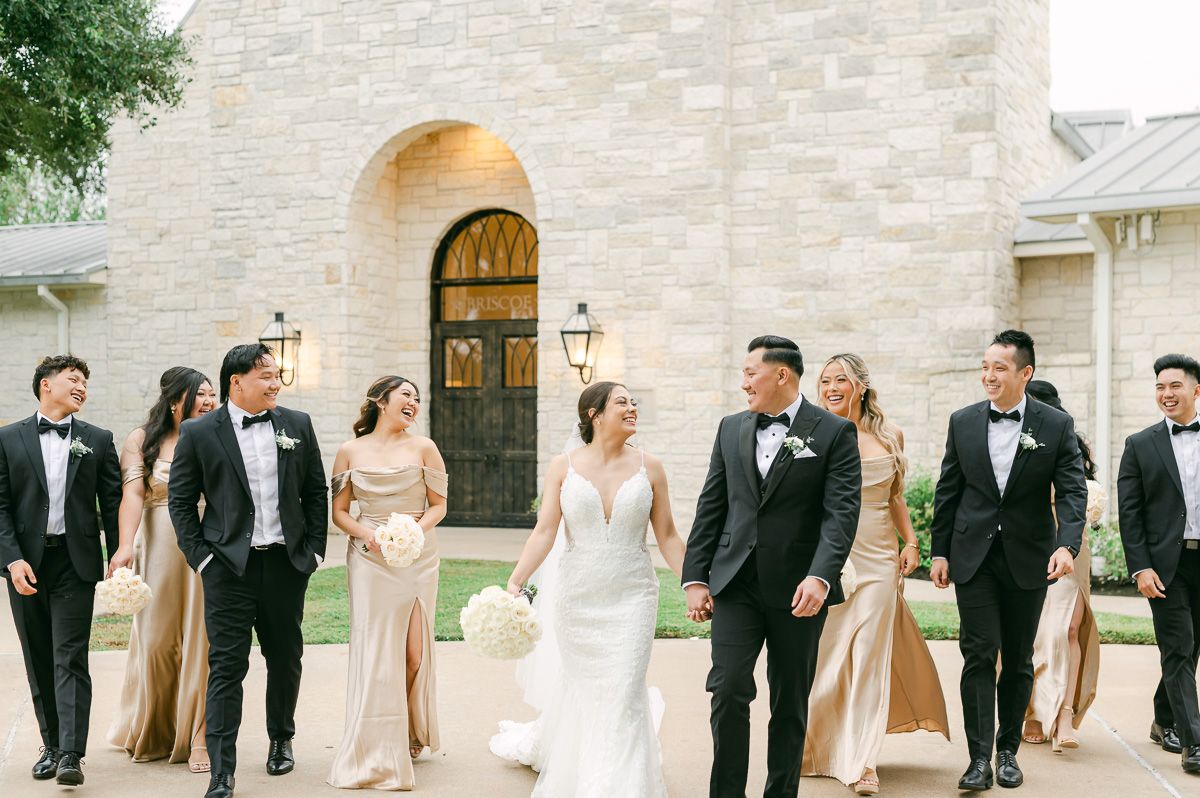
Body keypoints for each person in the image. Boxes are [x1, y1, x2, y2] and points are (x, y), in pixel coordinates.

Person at [683, 335, 862, 798]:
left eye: (750, 373)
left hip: (798, 590)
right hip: (735, 584)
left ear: (781, 375)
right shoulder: (730, 428)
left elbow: (840, 514)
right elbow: (711, 507)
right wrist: (696, 577)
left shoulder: (834, 432)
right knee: (727, 690)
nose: (743, 383)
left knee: (789, 702)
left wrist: (821, 576)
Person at [496, 382, 687, 796]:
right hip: (577, 598)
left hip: (633, 595)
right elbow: (544, 531)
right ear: (594, 414)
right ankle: (582, 765)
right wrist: (516, 580)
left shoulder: (650, 466)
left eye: (634, 401)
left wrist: (695, 583)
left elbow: (668, 535)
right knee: (587, 688)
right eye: (622, 402)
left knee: (623, 687)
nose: (633, 407)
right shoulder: (562, 466)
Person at [168, 343, 328, 798]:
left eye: (277, 374)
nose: (276, 382)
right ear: (236, 382)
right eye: (266, 375)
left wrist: (314, 551)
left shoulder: (297, 424)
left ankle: (281, 739)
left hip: (286, 563)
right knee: (226, 667)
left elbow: (316, 491)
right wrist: (201, 557)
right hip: (227, 569)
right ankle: (222, 769)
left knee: (285, 657)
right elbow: (181, 502)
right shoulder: (199, 433)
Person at [930, 330, 1086, 791]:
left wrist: (1066, 545)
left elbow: (1074, 491)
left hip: (1029, 557)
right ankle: (978, 760)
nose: (988, 375)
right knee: (977, 654)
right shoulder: (962, 421)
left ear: (1025, 373)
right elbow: (948, 490)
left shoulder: (1056, 425)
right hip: (972, 556)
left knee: (1017, 660)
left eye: (999, 367)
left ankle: (1008, 752)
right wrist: (940, 550)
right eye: (985, 367)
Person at [802, 353, 949, 795]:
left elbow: (895, 495)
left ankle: (862, 760)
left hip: (880, 557)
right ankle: (817, 747)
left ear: (861, 386)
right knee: (828, 657)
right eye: (824, 380)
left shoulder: (890, 434)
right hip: (829, 556)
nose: (830, 387)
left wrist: (911, 541)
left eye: (840, 379)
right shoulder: (812, 432)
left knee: (869, 654)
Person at [0, 354, 122, 786]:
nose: (82, 387)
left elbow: (112, 503)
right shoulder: (7, 439)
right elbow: (0, 508)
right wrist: (11, 560)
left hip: (76, 561)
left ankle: (71, 753)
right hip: (26, 565)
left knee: (70, 657)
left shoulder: (99, 439)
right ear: (45, 385)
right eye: (73, 379)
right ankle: (50, 745)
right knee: (37, 656)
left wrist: (120, 550)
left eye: (86, 382)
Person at [327, 376, 448, 790]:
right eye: (406, 396)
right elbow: (340, 512)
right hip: (369, 556)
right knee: (376, 647)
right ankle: (379, 739)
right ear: (381, 401)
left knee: (413, 652)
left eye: (417, 398)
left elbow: (439, 505)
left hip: (417, 555)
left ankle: (414, 728)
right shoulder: (350, 451)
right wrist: (370, 536)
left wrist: (413, 531)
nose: (413, 402)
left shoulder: (424, 447)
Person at [108, 367, 218, 772]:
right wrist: (123, 547)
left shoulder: (215, 434)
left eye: (212, 394)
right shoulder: (142, 439)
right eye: (201, 394)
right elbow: (133, 493)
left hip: (208, 542)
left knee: (203, 641)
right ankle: (155, 727)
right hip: (157, 541)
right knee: (155, 641)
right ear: (176, 399)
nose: (209, 401)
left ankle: (199, 735)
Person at [1117, 353, 1200, 775]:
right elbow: (1130, 514)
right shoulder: (1140, 444)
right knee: (1178, 647)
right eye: (1160, 387)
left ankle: (1163, 718)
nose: (1166, 395)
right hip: (1165, 564)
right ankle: (1195, 743)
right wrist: (1140, 567)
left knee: (1191, 646)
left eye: (1175, 387)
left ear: (1195, 390)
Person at [1021, 379, 1103, 753]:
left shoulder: (1067, 439)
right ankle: (1033, 711)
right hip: (1028, 543)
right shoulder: (1014, 439)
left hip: (1071, 547)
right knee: (1034, 632)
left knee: (1068, 630)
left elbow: (1081, 493)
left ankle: (1066, 714)